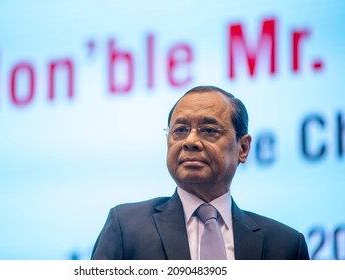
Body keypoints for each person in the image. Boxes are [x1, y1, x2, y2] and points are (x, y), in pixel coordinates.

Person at [91, 85, 310, 260]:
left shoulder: (285, 246)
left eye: (208, 131)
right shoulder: (127, 227)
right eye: (180, 130)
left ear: (243, 148)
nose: (191, 141)